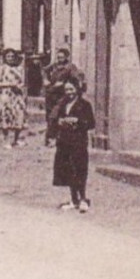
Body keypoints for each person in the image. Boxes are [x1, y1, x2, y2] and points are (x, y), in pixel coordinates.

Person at [51, 78, 97, 212]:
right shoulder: (62, 104)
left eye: (71, 89)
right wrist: (60, 122)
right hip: (64, 141)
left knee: (80, 169)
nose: (69, 92)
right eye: (66, 90)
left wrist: (77, 121)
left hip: (79, 141)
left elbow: (90, 123)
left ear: (77, 89)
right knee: (68, 170)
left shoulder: (84, 105)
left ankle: (83, 199)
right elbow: (56, 119)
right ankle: (73, 199)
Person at [43, 47, 85, 145]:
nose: (59, 59)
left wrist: (65, 84)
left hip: (62, 95)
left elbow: (77, 78)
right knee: (49, 116)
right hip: (51, 94)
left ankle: (54, 138)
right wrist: (45, 80)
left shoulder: (70, 67)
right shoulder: (54, 66)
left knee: (55, 115)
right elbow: (44, 70)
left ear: (66, 57)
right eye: (58, 57)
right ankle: (50, 139)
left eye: (62, 57)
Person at [0, 48, 28, 148]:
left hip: (17, 95)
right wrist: (9, 84)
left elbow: (22, 82)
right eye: (8, 56)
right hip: (6, 94)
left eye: (12, 56)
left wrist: (20, 86)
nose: (10, 58)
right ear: (5, 58)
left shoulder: (19, 68)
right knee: (6, 116)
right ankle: (6, 140)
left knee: (19, 115)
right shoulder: (2, 68)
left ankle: (16, 139)